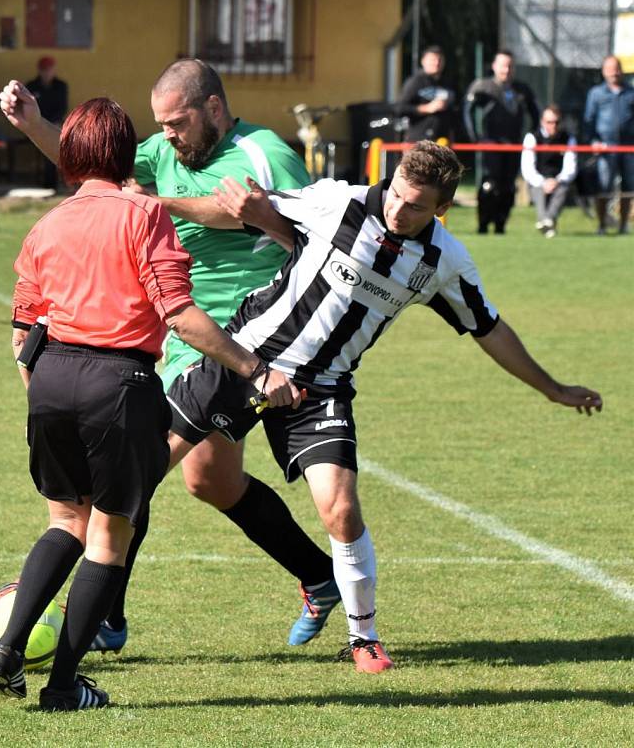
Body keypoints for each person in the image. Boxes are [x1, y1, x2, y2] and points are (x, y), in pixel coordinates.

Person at [194, 140, 600, 672]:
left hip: (323, 389)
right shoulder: (339, 202)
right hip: (248, 357)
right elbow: (249, 206)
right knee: (169, 473)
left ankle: (364, 639)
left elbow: (489, 328)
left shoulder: (444, 260)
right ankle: (100, 607)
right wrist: (149, 203)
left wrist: (553, 389)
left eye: (415, 206)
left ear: (441, 210)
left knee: (340, 505)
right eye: (397, 196)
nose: (397, 211)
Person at [0, 59, 340, 656]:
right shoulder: (165, 155)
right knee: (210, 480)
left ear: (213, 109)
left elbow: (253, 211)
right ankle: (319, 574)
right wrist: (34, 124)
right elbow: (95, 169)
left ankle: (105, 616)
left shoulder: (265, 152)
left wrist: (156, 203)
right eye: (161, 125)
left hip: (247, 334)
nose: (169, 135)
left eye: (177, 123)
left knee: (137, 466)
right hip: (181, 335)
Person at [464, 50, 539, 234]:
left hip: (513, 145)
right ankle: (483, 224)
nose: (506, 69)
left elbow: (536, 113)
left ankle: (500, 224)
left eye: (510, 65)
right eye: (503, 65)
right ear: (494, 66)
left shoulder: (522, 89)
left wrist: (531, 136)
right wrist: (475, 138)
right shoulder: (483, 86)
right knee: (490, 184)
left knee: (508, 186)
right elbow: (467, 110)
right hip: (491, 144)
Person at [583, 55, 634, 235]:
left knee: (629, 187)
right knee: (604, 186)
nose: (614, 72)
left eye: (617, 68)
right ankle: (602, 224)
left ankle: (623, 225)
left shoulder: (630, 92)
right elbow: (588, 121)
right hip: (606, 149)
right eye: (610, 68)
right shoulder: (596, 94)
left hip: (629, 148)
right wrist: (593, 142)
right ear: (604, 71)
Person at [520, 104, 577, 238]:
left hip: (559, 180)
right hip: (538, 180)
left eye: (557, 122)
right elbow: (527, 169)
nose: (553, 126)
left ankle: (546, 221)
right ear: (542, 122)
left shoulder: (568, 138)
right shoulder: (532, 137)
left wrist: (556, 181)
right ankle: (547, 222)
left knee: (563, 188)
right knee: (538, 189)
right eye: (549, 122)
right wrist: (543, 182)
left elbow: (570, 167)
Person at [395, 45, 457, 142]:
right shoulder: (416, 81)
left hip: (443, 141)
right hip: (419, 141)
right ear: (423, 61)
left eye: (439, 59)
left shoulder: (447, 83)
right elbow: (399, 108)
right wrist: (427, 108)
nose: (436, 63)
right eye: (433, 59)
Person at [25, 57, 69, 190]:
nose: (46, 73)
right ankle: (48, 182)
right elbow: (28, 108)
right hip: (35, 123)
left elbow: (62, 108)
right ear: (39, 70)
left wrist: (51, 122)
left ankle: (56, 182)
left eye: (49, 70)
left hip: (55, 123)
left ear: (53, 70)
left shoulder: (61, 86)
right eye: (44, 70)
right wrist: (38, 122)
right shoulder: (31, 86)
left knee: (60, 141)